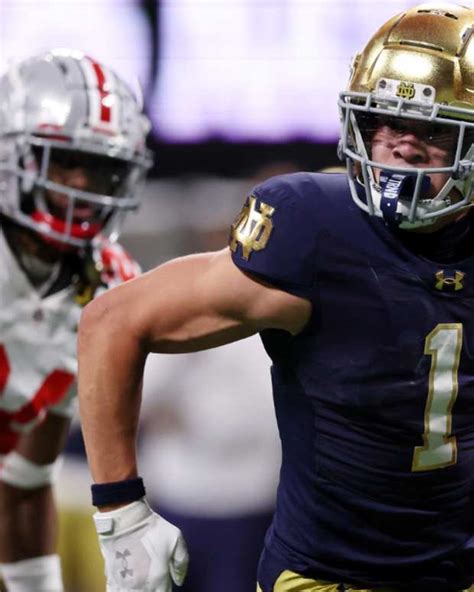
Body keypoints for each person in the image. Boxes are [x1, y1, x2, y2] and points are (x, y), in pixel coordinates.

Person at [77, 3, 474, 592]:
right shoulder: (316, 230)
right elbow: (112, 321)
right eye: (384, 122)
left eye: (434, 130)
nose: (402, 149)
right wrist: (121, 513)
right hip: (326, 579)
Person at [0, 49, 151, 592]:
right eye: (64, 161)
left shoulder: (107, 291)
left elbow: (24, 481)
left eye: (103, 169)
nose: (83, 186)